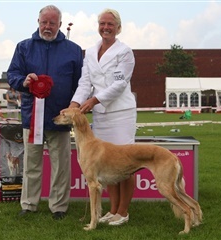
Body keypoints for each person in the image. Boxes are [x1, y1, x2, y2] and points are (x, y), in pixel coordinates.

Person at [7, 5, 83, 220]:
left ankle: (58, 207)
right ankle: (29, 204)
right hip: (32, 117)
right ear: (38, 22)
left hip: (61, 118)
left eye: (52, 23)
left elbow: (81, 83)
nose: (47, 27)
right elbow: (12, 74)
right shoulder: (23, 47)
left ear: (60, 24)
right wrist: (23, 81)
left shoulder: (74, 50)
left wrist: (74, 108)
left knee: (61, 165)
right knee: (31, 164)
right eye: (44, 22)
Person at [69, 8, 137, 226]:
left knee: (125, 164)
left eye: (110, 24)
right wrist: (75, 103)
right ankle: (112, 209)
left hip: (120, 114)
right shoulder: (89, 52)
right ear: (98, 26)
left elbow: (120, 84)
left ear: (118, 27)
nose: (106, 27)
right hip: (101, 116)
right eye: (102, 24)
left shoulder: (125, 52)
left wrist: (94, 100)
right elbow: (84, 82)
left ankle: (123, 212)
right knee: (107, 166)